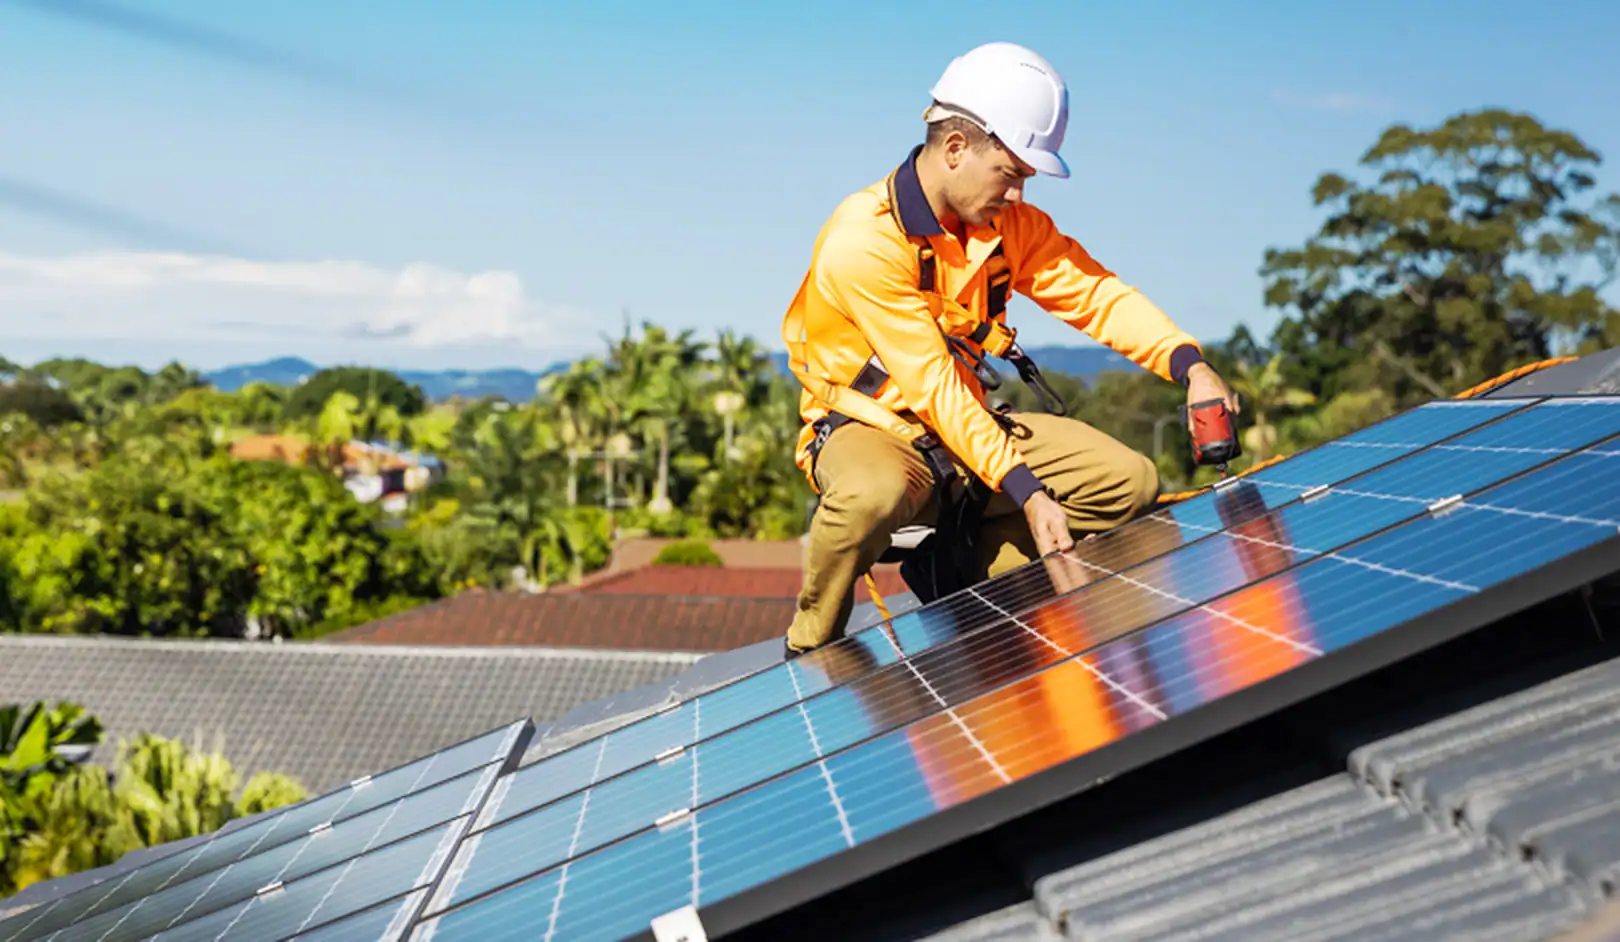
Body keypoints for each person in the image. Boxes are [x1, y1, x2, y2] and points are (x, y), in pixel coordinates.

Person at [779, 41, 1237, 656]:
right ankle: (810, 647)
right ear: (957, 148)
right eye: (1012, 172)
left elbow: (1096, 295)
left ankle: (962, 573)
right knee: (870, 496)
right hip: (876, 430)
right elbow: (932, 384)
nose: (1019, 194)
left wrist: (1191, 365)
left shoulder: (1006, 228)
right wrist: (1026, 488)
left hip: (967, 431)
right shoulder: (864, 240)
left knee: (1129, 482)